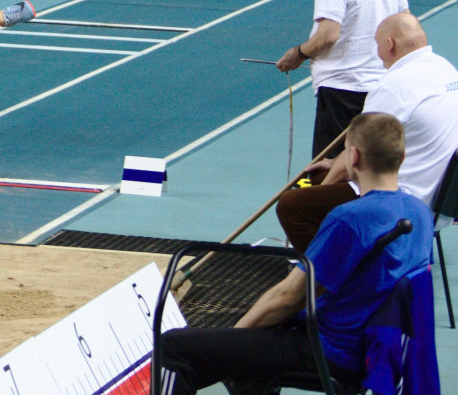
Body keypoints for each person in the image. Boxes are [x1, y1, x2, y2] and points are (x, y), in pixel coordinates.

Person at [159, 112, 434, 395]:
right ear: (401, 158)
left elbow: (288, 297)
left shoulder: (349, 219)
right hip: (374, 350)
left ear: (353, 157)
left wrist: (235, 334)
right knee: (246, 367)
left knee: (173, 348)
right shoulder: (421, 214)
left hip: (330, 351)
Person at [278, 12, 458, 253]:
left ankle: (335, 280)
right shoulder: (445, 68)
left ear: (389, 45)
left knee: (293, 203)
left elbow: (355, 153)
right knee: (316, 178)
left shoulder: (395, 83)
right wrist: (334, 163)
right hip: (443, 198)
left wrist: (323, 187)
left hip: (406, 202)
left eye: (378, 47)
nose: (379, 56)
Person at [276, 0, 409, 157]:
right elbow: (406, 24)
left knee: (332, 173)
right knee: (372, 165)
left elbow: (327, 36)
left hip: (344, 90)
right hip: (382, 86)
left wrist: (298, 53)